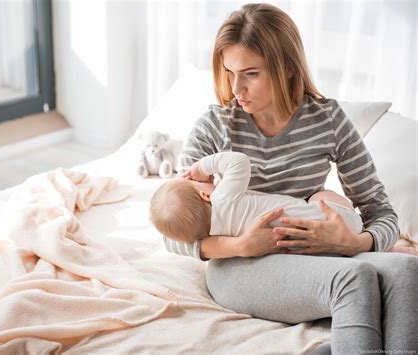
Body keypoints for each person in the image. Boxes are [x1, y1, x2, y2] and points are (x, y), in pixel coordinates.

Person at [163, 3, 417, 354]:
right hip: (240, 267)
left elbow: (381, 212)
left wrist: (354, 243)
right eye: (229, 72)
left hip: (318, 256)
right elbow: (172, 231)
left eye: (250, 74)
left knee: (408, 273)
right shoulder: (215, 125)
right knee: (353, 279)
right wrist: (242, 246)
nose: (236, 88)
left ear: (288, 69)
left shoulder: (327, 121)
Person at [150, 151, 362, 247]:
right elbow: (238, 162)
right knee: (320, 195)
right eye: (196, 183)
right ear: (206, 195)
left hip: (315, 248)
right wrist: (202, 166)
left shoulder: (219, 234)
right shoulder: (223, 197)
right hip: (340, 222)